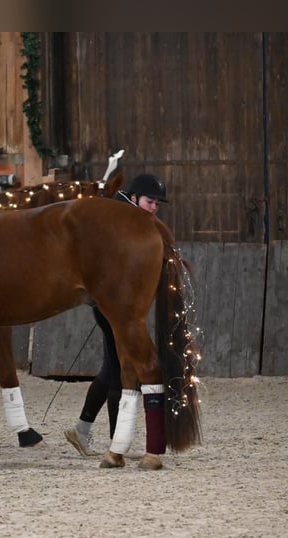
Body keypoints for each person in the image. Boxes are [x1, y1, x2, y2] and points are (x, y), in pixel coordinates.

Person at [64, 173, 169, 469]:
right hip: (107, 300)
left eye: (157, 204)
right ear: (134, 198)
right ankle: (112, 440)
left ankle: (86, 431)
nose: (154, 208)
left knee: (112, 367)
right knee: (116, 367)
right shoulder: (119, 222)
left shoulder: (133, 224)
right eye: (150, 202)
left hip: (110, 300)